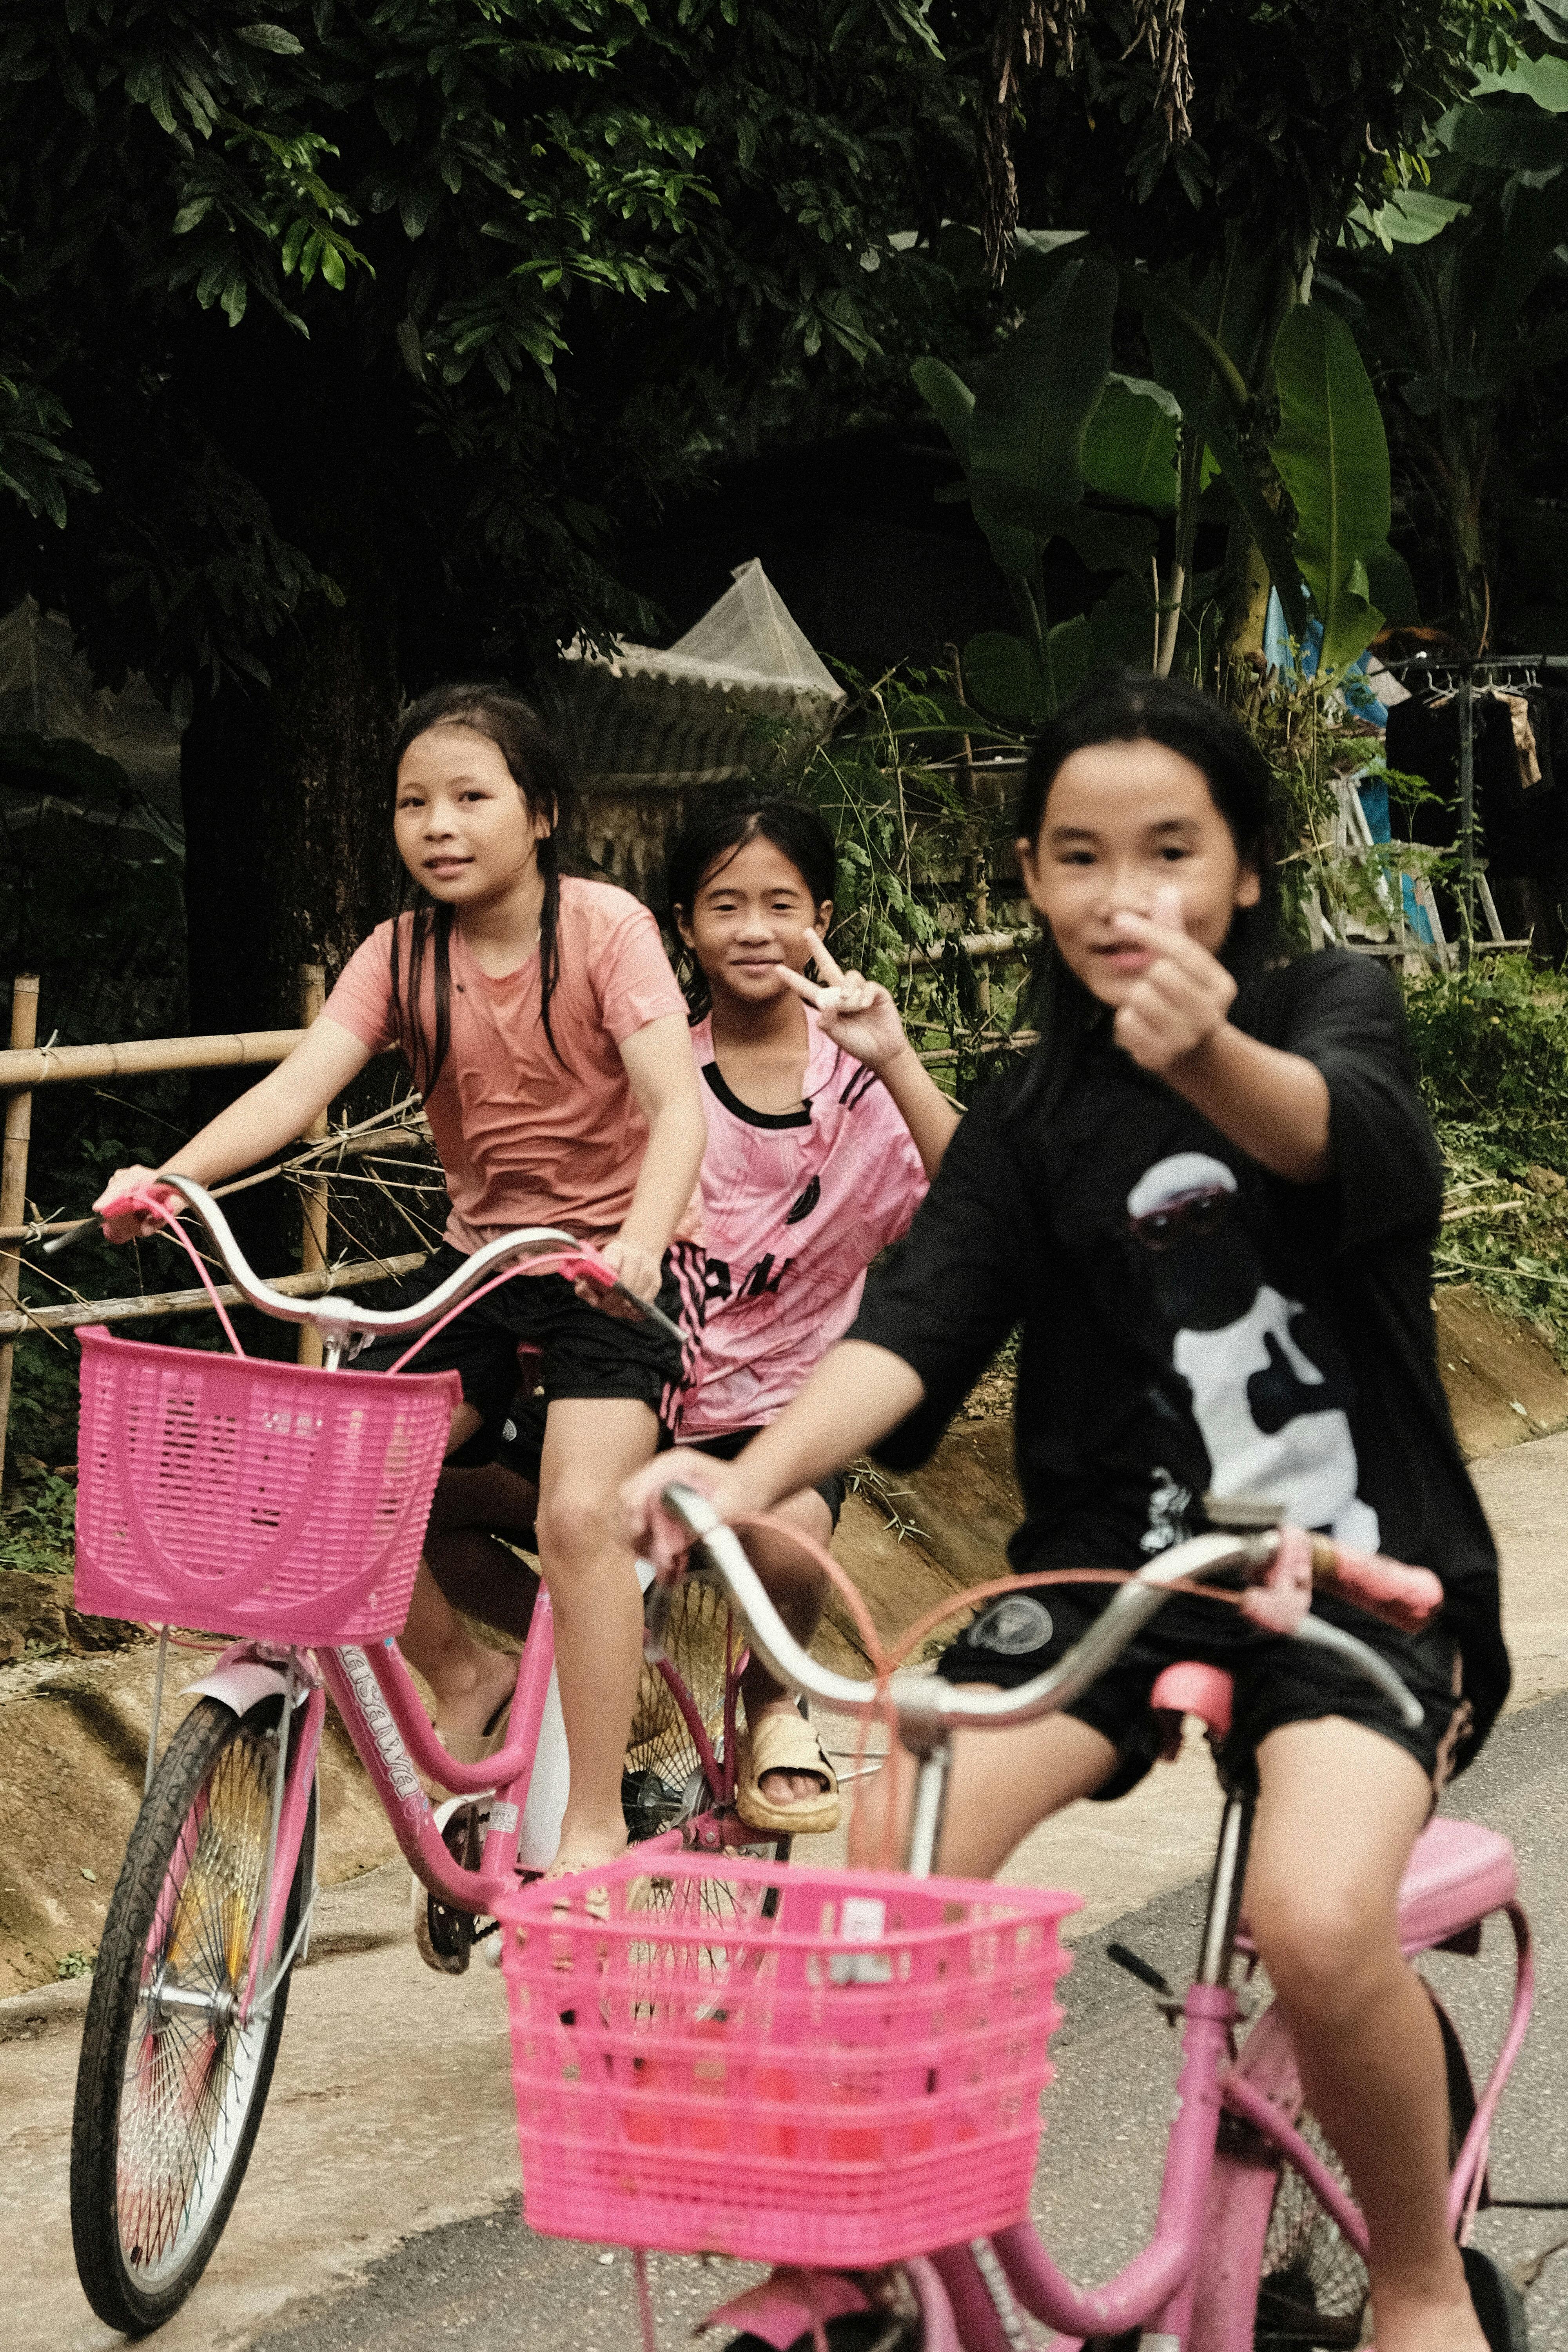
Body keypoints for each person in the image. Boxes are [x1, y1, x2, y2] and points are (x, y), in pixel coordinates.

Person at [622, 670, 1509, 2352]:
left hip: (1353, 1573)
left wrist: (1213, 1052)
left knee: (1316, 1924)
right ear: (1031, 876)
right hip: (1107, 1572)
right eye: (1080, 856)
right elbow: (910, 1333)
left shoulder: (1330, 1005)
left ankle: (1412, 2282)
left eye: (1170, 852)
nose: (1126, 895)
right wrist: (738, 1482)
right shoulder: (1028, 1121)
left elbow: (1343, 1140)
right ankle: (865, 2250)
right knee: (883, 1863)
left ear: (1243, 867)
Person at [97, 682, 707, 1886]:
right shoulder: (401, 952)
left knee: (579, 1518)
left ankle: (590, 1826)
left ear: (539, 814)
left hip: (606, 1270)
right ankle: (466, 1674)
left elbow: (677, 1104)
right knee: (329, 1488)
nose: (438, 823)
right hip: (477, 1262)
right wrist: (167, 1177)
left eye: (470, 797)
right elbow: (299, 1085)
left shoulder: (607, 930)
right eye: (413, 802)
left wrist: (640, 1239)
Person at [426, 789, 960, 1834]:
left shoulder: (860, 1085)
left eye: (781, 904)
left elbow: (983, 1206)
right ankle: (575, 1655)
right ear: (681, 924)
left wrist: (895, 1057)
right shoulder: (649, 1079)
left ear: (826, 920)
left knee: (796, 1528)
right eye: (724, 905)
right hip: (615, 1403)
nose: (754, 930)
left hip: (774, 1425)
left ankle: (772, 1699)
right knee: (412, 1502)